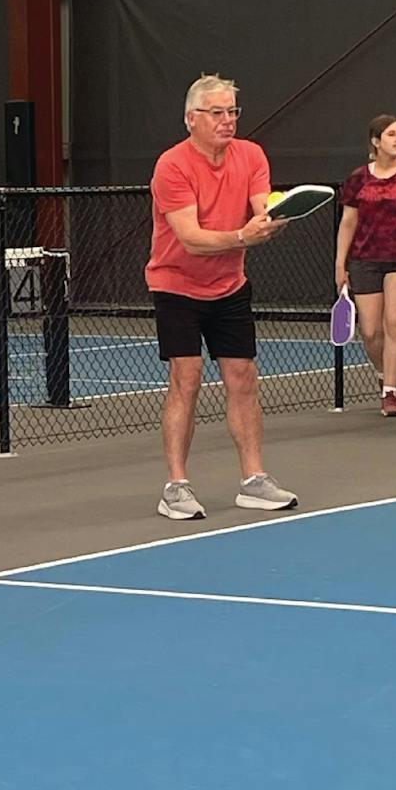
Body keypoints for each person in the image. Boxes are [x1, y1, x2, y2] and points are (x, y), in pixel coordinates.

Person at [147, 74, 298, 520]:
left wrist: (273, 220)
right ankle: (175, 486)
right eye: (218, 113)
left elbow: (260, 215)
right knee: (186, 378)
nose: (227, 120)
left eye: (233, 112)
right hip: (175, 285)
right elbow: (191, 238)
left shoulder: (250, 155)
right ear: (191, 118)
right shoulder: (171, 166)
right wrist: (242, 235)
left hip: (229, 286)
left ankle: (254, 480)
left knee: (243, 378)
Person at [334, 115, 396, 417]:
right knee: (372, 331)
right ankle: (382, 373)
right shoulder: (358, 179)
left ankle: (391, 390)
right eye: (391, 134)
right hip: (364, 260)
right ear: (376, 141)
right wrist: (340, 264)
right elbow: (348, 222)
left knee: (394, 323)